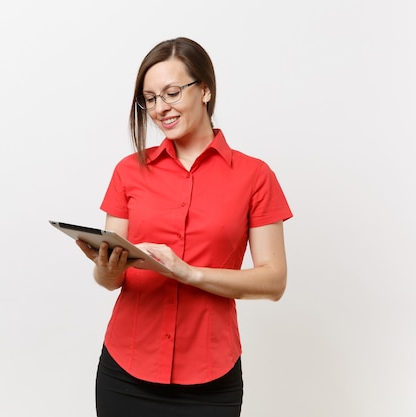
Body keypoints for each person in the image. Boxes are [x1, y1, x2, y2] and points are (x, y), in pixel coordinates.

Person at [76, 37, 293, 417]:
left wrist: (188, 273)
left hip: (211, 376)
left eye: (172, 93)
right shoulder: (129, 171)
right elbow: (111, 280)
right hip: (126, 368)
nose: (161, 108)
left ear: (205, 89)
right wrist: (106, 268)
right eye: (151, 98)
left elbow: (274, 282)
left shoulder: (254, 176)